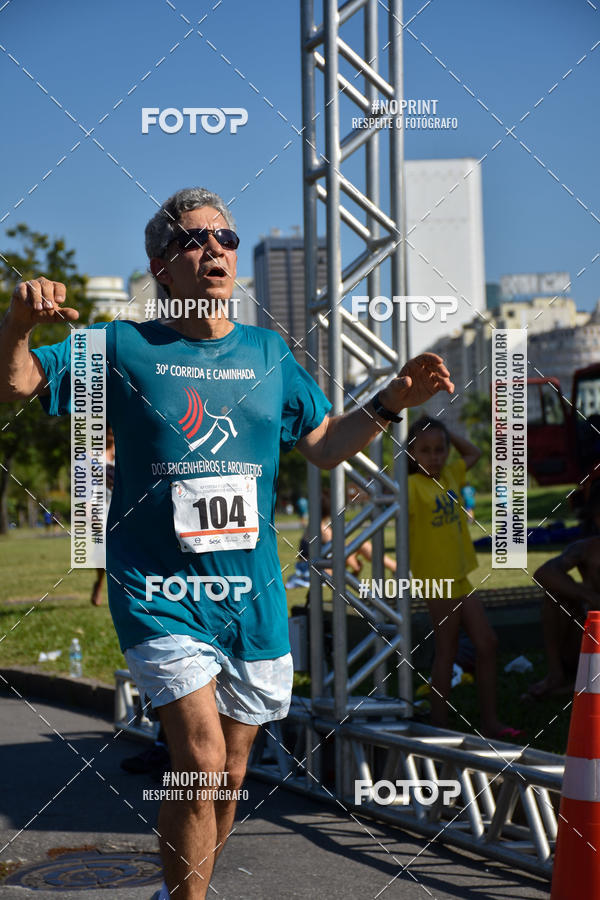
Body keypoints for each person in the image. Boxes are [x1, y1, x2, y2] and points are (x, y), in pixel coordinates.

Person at [0, 186, 454, 900]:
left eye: (225, 239)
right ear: (163, 268)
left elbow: (327, 448)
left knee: (234, 773)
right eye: (194, 240)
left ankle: (182, 891)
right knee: (202, 761)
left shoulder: (270, 354)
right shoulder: (120, 346)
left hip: (251, 597)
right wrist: (19, 324)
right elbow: (19, 382)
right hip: (160, 593)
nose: (214, 250)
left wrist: (393, 399)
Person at [407, 415, 519, 740]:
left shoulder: (453, 473)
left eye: (440, 449)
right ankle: (440, 729)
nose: (435, 457)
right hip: (436, 581)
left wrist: (444, 430)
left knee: (487, 643)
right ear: (412, 454)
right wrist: (428, 436)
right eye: (425, 451)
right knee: (447, 651)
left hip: (460, 577)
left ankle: (490, 724)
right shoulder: (411, 487)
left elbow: (473, 454)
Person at [527, 486, 600, 699]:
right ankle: (556, 674)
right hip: (586, 637)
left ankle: (579, 686)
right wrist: (590, 597)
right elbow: (544, 573)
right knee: (555, 596)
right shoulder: (587, 548)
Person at [90, 425, 115, 606]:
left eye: (113, 431)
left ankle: (116, 587)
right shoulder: (91, 456)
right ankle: (99, 582)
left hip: (119, 505)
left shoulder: (123, 453)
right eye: (107, 431)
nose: (110, 435)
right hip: (99, 507)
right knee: (101, 552)